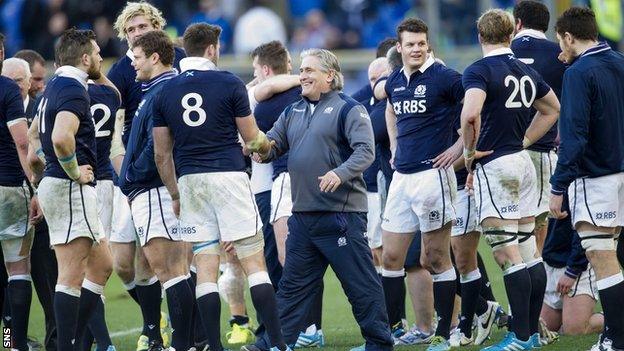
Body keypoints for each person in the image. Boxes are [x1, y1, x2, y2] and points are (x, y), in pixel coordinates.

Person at [153, 23, 288, 351]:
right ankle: (279, 345)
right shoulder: (228, 82)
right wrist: (266, 148)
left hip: (190, 182)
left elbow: (161, 153)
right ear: (212, 49)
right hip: (228, 176)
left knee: (206, 268)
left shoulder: (165, 92)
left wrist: (174, 192)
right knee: (254, 264)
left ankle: (214, 346)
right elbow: (252, 137)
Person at [250, 47, 392, 351]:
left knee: (360, 285)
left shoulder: (349, 108)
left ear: (330, 75)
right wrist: (259, 145)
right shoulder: (293, 111)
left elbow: (365, 152)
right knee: (291, 288)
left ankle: (380, 343)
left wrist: (339, 173)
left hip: (341, 216)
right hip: (303, 216)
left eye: (309, 70)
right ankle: (274, 344)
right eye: (301, 70)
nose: (302, 75)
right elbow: (271, 148)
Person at [461, 9, 560, 350]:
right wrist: (525, 141)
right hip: (523, 162)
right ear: (510, 33)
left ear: (480, 36)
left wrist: (469, 154)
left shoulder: (479, 70)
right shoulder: (525, 69)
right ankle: (530, 334)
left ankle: (520, 337)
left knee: (507, 255)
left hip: (497, 165)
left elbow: (471, 113)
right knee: (529, 251)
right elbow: (552, 109)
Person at [381, 18, 465, 351]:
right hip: (401, 177)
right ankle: (388, 333)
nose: (417, 49)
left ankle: (446, 333)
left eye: (421, 43)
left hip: (434, 177)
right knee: (389, 258)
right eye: (410, 44)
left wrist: (460, 148)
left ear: (428, 45)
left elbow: (475, 108)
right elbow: (390, 110)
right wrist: (393, 146)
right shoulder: (394, 81)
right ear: (399, 48)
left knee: (434, 258)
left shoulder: (445, 77)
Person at [29, 28, 115, 351]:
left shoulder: (53, 88)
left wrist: (42, 178)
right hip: (69, 186)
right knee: (70, 274)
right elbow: (61, 138)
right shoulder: (73, 89)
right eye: (96, 52)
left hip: (58, 185)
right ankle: (65, 346)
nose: (99, 58)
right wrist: (73, 171)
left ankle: (73, 342)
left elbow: (33, 141)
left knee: (103, 264)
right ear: (84, 58)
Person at [109, 2, 187, 348]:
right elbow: (115, 128)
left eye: (142, 28)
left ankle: (162, 333)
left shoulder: (177, 63)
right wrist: (125, 173)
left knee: (170, 262)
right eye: (131, 30)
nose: (137, 34)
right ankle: (162, 325)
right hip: (132, 176)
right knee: (123, 264)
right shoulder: (122, 71)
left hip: (159, 176)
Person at [549, 6, 624, 351]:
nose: (560, 51)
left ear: (569, 36)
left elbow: (574, 137)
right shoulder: (620, 63)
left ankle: (615, 339)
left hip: (597, 179)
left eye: (560, 43)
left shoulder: (579, 72)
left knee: (602, 258)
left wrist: (558, 187)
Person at [248, 40, 326, 348]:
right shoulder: (312, 90)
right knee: (310, 254)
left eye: (256, 70)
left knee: (283, 258)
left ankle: (290, 329)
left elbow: (255, 146)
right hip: (318, 179)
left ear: (265, 69)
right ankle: (308, 327)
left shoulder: (261, 102)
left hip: (280, 183)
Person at [511, 0, 567, 256]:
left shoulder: (502, 52)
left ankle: (520, 285)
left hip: (502, 152)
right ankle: (537, 290)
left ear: (518, 23)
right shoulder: (559, 55)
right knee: (537, 225)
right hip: (540, 151)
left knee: (511, 227)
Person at [0, 31, 39, 351]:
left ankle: (7, 338)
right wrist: (36, 186)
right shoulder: (7, 91)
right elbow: (23, 142)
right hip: (9, 188)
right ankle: (14, 344)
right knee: (17, 270)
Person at [541, 194, 603, 336]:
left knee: (575, 330)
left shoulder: (579, 177)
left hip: (576, 265)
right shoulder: (556, 177)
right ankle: (569, 314)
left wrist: (573, 270)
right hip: (551, 262)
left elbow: (586, 228)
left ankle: (615, 317)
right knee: (544, 329)